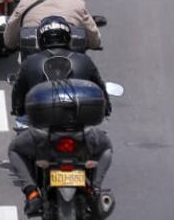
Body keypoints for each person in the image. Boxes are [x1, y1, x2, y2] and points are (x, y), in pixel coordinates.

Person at [9, 82, 115, 218]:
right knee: (106, 147)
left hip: (45, 138)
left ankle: (32, 193)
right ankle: (95, 189)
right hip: (82, 136)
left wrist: (18, 108)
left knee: (15, 149)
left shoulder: (38, 79)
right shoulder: (84, 80)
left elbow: (21, 88)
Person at [10, 17, 107, 123]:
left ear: (41, 38)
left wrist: (18, 110)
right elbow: (99, 87)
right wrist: (107, 109)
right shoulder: (84, 60)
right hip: (77, 120)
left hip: (41, 121)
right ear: (68, 37)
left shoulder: (30, 62)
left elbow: (18, 93)